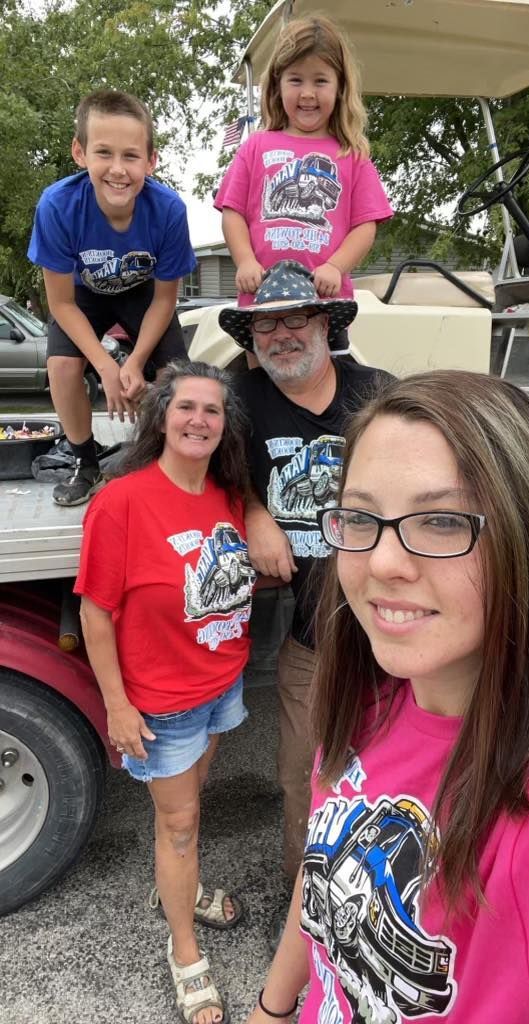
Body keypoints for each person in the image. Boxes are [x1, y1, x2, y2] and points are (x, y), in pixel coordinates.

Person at [246, 370, 529, 1024]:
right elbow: (323, 866)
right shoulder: (364, 704)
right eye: (360, 517)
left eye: (442, 520)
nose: (383, 562)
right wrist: (274, 1008)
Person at [75, 361, 256, 1024]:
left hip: (221, 684)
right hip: (160, 699)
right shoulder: (121, 500)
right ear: (161, 417)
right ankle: (185, 951)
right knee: (178, 823)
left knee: (187, 812)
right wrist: (118, 705)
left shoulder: (228, 495)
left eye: (212, 410)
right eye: (185, 407)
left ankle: (177, 886)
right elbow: (95, 611)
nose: (198, 420)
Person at [218, 259, 394, 928]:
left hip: (390, 635)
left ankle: (392, 905)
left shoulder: (376, 392)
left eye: (296, 318)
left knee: (395, 775)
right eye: (266, 325)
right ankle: (305, 913)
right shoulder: (242, 398)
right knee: (303, 778)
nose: (281, 335)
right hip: (310, 644)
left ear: (325, 324)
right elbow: (203, 465)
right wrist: (254, 512)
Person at [28, 89, 196, 506]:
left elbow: (164, 299)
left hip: (143, 294)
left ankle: (166, 460)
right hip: (83, 294)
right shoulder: (58, 206)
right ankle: (85, 462)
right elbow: (61, 304)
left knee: (177, 376)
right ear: (80, 153)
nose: (118, 170)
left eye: (131, 156)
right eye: (104, 153)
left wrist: (136, 362)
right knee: (63, 367)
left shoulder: (168, 210)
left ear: (151, 160)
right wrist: (105, 366)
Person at [214, 13, 393, 350]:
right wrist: (245, 261)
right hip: (262, 301)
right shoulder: (256, 146)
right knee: (260, 384)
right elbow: (232, 212)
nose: (308, 93)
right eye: (296, 80)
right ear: (278, 84)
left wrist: (335, 267)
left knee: (330, 383)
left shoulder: (352, 154)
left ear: (340, 87)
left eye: (320, 81)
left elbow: (365, 226)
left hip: (325, 302)